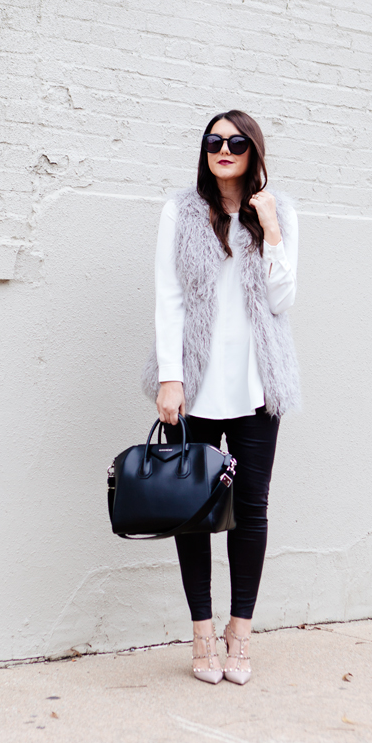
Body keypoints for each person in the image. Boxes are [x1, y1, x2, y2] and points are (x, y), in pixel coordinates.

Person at [142, 110, 300, 685]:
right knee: (192, 515)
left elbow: (283, 299)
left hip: (258, 389)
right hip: (197, 388)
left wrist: (272, 227)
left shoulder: (276, 211)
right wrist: (169, 376)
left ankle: (241, 633)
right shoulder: (180, 212)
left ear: (253, 151)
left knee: (251, 513)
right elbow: (169, 298)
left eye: (236, 142)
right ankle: (202, 633)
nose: (224, 149)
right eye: (214, 141)